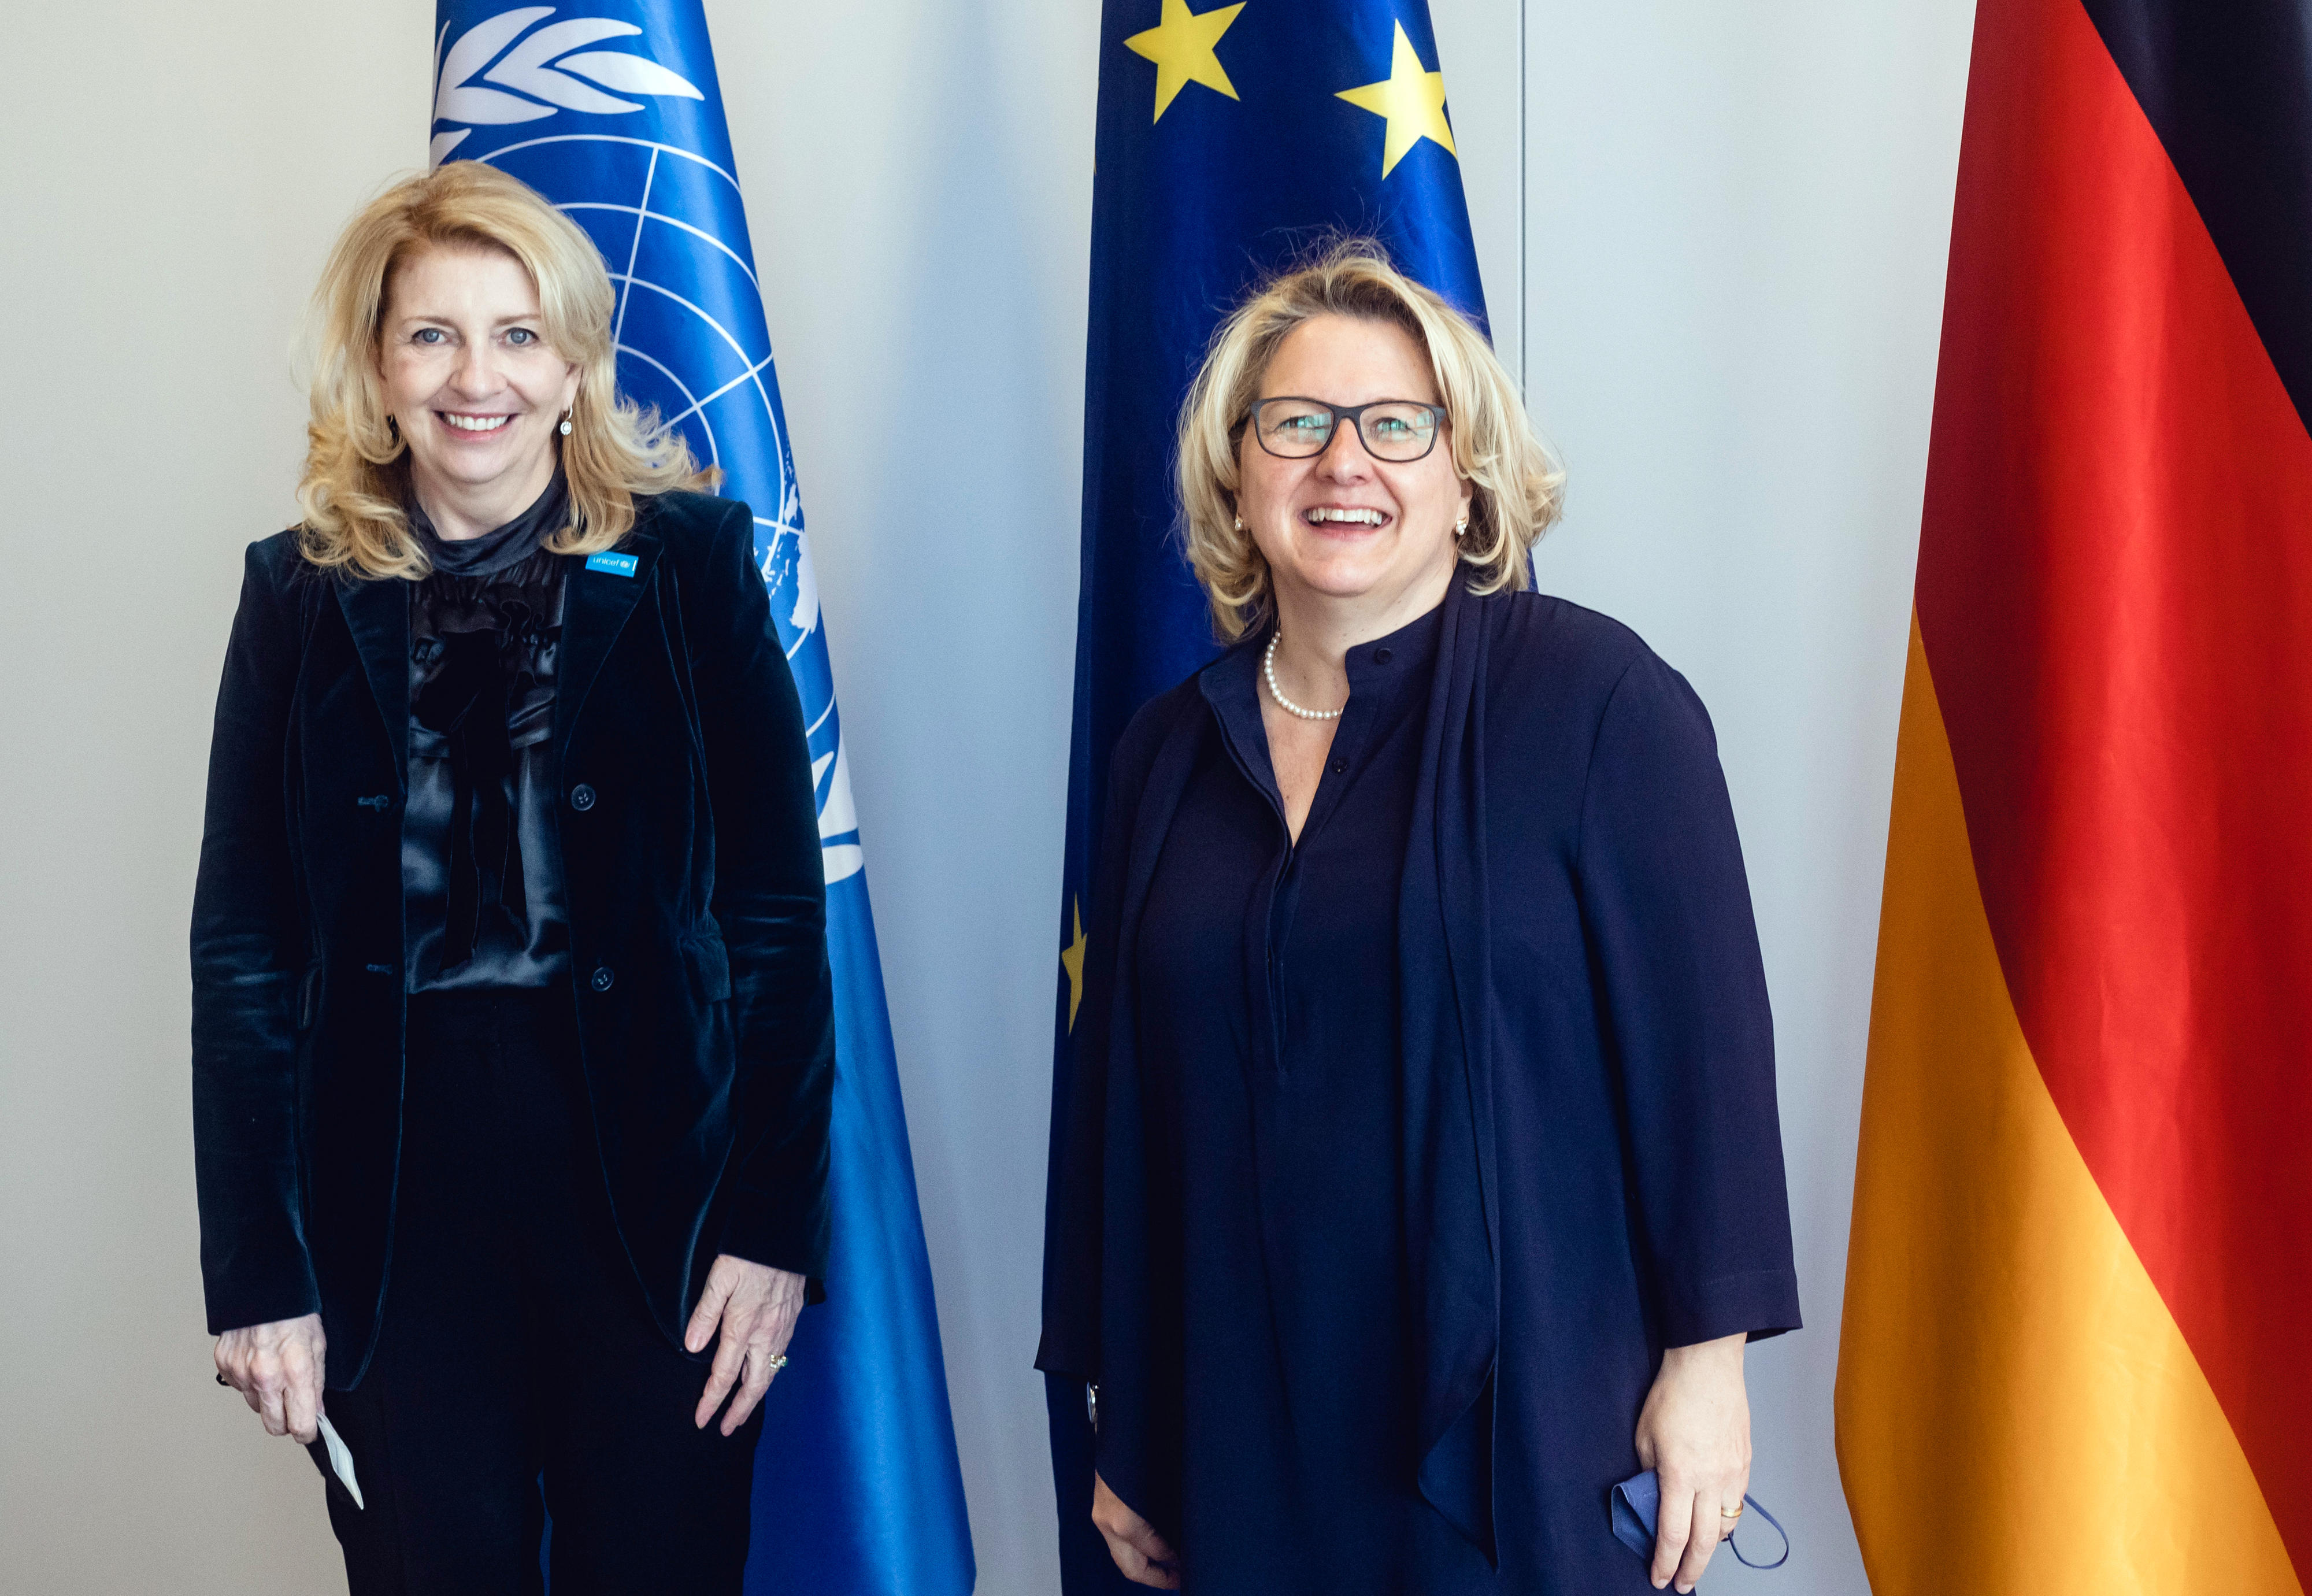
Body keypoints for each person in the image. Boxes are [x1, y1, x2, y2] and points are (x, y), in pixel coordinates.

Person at [1038, 243, 1801, 1596]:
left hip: (1520, 1425)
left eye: (1396, 426)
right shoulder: (1164, 751)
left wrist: (1706, 1372)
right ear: (1236, 468)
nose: (1345, 464)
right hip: (1235, 1422)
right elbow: (1115, 1107)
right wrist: (1116, 1414)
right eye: (1297, 424)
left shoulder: (1599, 705)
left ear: (1466, 480)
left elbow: (1705, 1067)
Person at [191, 162, 832, 1594]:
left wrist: (771, 1233)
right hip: (391, 1209)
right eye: (431, 335)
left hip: (654, 1210)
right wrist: (255, 1271)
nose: (474, 376)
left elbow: (777, 924)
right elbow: (244, 948)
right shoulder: (294, 596)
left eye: (517, 334)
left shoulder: (693, 568)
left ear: (575, 368)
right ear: (376, 364)